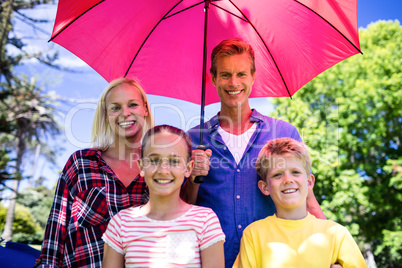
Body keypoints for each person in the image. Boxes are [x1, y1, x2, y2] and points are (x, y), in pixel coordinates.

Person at [182, 38, 326, 267]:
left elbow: (307, 200)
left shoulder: (283, 132)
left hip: (275, 259)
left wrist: (334, 252)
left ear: (252, 76)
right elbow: (181, 206)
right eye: (225, 74)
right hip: (214, 260)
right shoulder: (192, 140)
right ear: (213, 77)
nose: (233, 82)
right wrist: (194, 179)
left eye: (241, 74)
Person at [35, 78, 154, 267]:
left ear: (145, 109)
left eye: (133, 105)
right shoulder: (81, 164)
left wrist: (195, 179)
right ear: (106, 115)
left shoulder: (158, 169)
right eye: (115, 108)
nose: (125, 113)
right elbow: (55, 233)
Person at [102, 125, 225, 267]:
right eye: (154, 160)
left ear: (189, 168)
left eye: (174, 161)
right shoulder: (121, 224)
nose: (163, 170)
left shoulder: (205, 221)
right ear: (141, 167)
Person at [233, 138, 367, 267]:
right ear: (265, 187)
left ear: (309, 182)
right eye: (277, 175)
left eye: (295, 172)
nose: (287, 180)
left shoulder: (336, 234)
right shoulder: (254, 234)